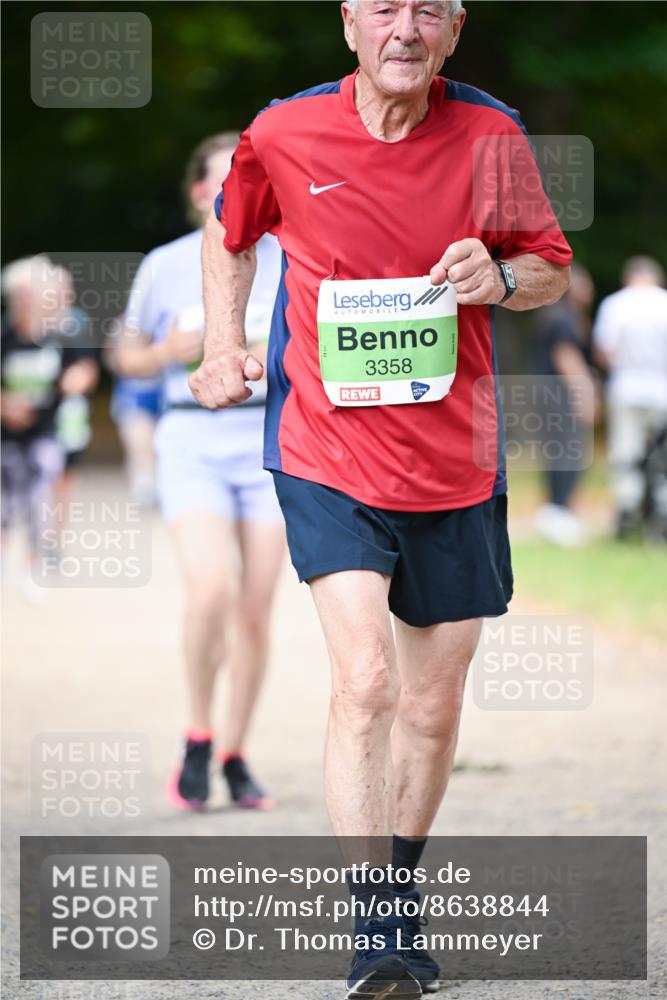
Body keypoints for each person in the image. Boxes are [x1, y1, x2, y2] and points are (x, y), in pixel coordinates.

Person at [191, 2, 572, 996]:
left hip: (455, 463)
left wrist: (495, 273)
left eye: (428, 11)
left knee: (433, 705)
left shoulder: (491, 135)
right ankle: (376, 926)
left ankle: (399, 884)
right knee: (364, 681)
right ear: (350, 25)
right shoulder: (283, 129)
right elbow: (229, 234)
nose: (405, 29)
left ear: (452, 31)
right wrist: (220, 344)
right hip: (325, 448)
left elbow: (549, 269)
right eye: (385, 8)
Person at [117, 133, 285, 812]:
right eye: (225, 182)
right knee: (209, 591)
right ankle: (196, 730)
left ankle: (235, 753)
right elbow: (124, 358)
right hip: (189, 437)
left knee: (255, 607)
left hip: (268, 440)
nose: (241, 193)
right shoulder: (164, 264)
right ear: (199, 193)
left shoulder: (287, 257)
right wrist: (164, 351)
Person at [1, 257, 98, 594]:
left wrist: (80, 377)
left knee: (45, 491)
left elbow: (85, 367)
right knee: (8, 499)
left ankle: (37, 564)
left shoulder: (66, 331)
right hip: (6, 434)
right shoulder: (6, 334)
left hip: (49, 430)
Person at [593, 256, 667, 538]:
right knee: (661, 454)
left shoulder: (615, 304)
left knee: (626, 450)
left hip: (626, 386)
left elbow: (604, 350)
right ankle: (660, 510)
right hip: (661, 389)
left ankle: (628, 507)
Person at [533, 263, 597, 547]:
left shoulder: (561, 315)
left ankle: (558, 511)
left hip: (552, 394)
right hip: (561, 394)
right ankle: (558, 513)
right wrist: (585, 395)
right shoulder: (562, 318)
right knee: (568, 451)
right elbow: (566, 358)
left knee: (561, 450)